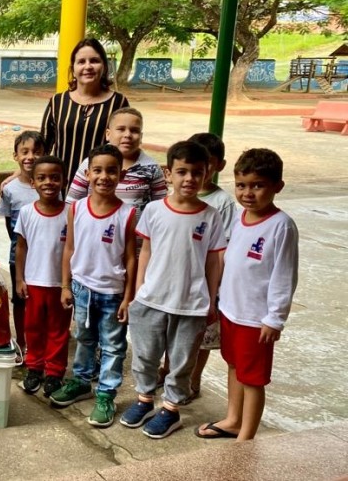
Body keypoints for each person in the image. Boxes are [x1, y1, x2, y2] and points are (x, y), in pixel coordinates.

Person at [121, 140, 226, 439]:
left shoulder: (211, 216)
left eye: (197, 172)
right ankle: (144, 400)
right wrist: (139, 291)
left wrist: (211, 300)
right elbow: (146, 252)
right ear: (169, 173)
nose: (189, 179)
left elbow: (212, 261)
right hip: (151, 300)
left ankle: (170, 409)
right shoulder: (154, 210)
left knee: (181, 362)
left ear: (207, 173)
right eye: (182, 171)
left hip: (190, 303)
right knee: (145, 355)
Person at [195, 148, 298, 441]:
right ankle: (233, 419)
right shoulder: (240, 218)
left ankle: (246, 438)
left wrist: (274, 319)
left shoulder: (281, 226)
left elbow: (284, 276)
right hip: (230, 310)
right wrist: (217, 301)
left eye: (258, 185)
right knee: (233, 365)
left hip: (256, 319)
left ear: (277, 186)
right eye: (241, 185)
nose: (248, 193)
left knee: (252, 379)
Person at [52, 144, 137, 429]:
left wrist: (128, 296)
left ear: (121, 175)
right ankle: (81, 381)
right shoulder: (76, 208)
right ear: (87, 174)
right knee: (85, 338)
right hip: (82, 289)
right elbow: (69, 250)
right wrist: (66, 286)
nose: (104, 176)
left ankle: (106, 394)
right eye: (97, 170)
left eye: (111, 171)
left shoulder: (127, 214)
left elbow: (131, 256)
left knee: (113, 346)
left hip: (113, 293)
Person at [166, 132, 236, 401]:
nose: (196, 175)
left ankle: (193, 379)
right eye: (186, 169)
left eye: (205, 166)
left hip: (204, 282)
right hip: (173, 279)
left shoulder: (222, 203)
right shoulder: (173, 195)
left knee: (201, 337)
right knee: (172, 333)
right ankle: (170, 370)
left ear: (217, 166)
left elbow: (222, 248)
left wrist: (214, 288)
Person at [13, 155, 70, 398]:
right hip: (34, 282)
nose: (49, 182)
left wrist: (69, 284)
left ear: (63, 180)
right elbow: (21, 247)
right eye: (42, 178)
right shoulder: (27, 212)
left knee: (59, 330)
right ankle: (34, 367)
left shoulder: (71, 212)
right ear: (33, 183)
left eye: (55, 177)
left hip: (60, 284)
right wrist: (19, 278)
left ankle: (55, 371)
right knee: (33, 327)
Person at [41, 38, 130, 185]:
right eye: (81, 62)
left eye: (94, 61)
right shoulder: (58, 101)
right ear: (73, 69)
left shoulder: (118, 102)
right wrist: (21, 173)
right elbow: (43, 144)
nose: (88, 66)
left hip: (101, 186)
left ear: (104, 67)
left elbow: (126, 146)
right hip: (60, 185)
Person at [66, 107, 166, 223]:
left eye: (134, 130)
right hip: (93, 233)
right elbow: (72, 202)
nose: (127, 135)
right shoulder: (90, 163)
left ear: (141, 137)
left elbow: (160, 208)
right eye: (121, 129)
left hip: (135, 238)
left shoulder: (152, 167)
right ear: (108, 134)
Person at [0, 131, 47, 352]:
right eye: (24, 152)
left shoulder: (50, 184)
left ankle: (39, 344)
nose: (30, 157)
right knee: (20, 299)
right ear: (15, 156)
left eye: (37, 152)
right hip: (20, 255)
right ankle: (21, 342)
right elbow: (10, 225)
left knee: (43, 301)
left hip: (47, 257)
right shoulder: (9, 189)